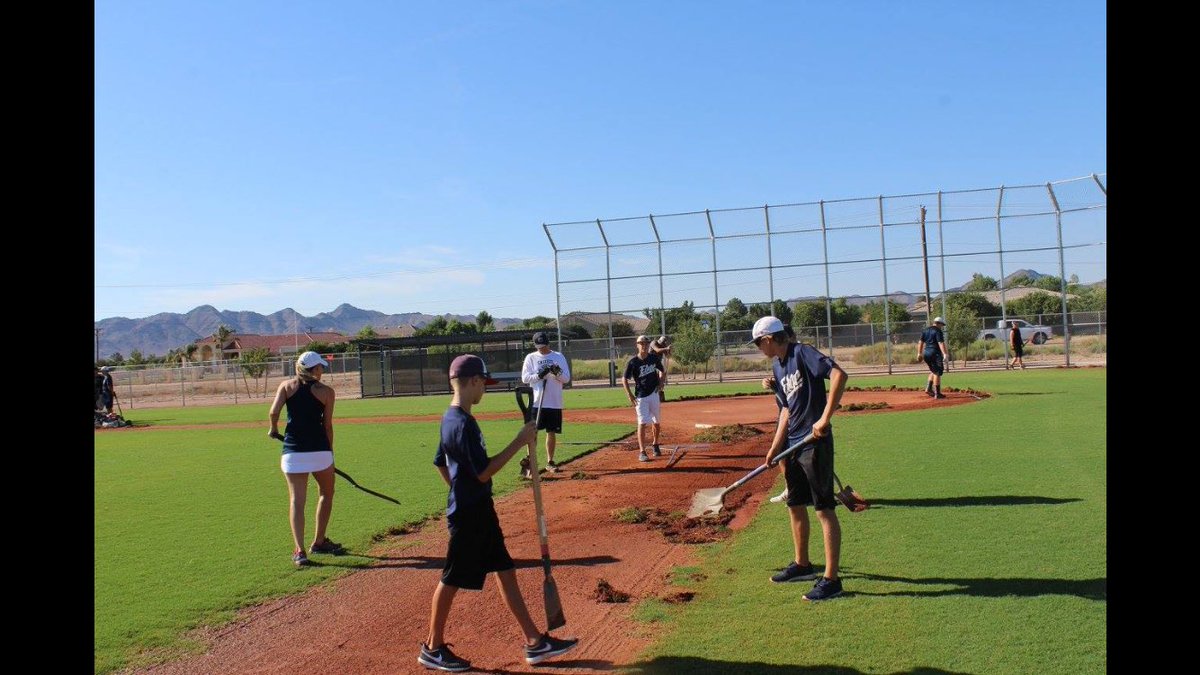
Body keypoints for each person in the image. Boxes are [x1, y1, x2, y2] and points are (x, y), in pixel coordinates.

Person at [420, 354, 579, 672]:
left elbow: (441, 461)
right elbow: (483, 473)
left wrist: (457, 488)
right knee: (452, 578)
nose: (485, 390)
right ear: (473, 382)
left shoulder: (451, 418)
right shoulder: (462, 424)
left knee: (505, 570)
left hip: (478, 507)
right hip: (470, 514)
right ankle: (432, 648)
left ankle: (535, 642)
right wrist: (520, 442)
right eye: (484, 384)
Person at [752, 315, 849, 601]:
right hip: (793, 444)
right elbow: (786, 410)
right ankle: (803, 564)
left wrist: (824, 418)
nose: (759, 348)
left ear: (769, 339)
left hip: (814, 441)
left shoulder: (802, 353)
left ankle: (831, 580)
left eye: (759, 343)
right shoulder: (777, 365)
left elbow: (839, 375)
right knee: (794, 504)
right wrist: (774, 446)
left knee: (823, 509)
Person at [268, 351, 345, 568]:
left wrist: (273, 429)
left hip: (292, 452)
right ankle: (319, 541)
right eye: (320, 367)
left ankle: (300, 551)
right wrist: (329, 453)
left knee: (296, 501)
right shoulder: (327, 392)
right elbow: (327, 426)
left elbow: (273, 413)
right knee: (326, 493)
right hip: (320, 452)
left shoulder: (286, 386)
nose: (322, 371)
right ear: (314, 370)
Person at [520, 332, 571, 476]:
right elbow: (525, 378)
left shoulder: (558, 357)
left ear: (548, 343)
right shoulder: (531, 357)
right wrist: (539, 375)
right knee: (533, 433)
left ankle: (550, 462)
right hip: (537, 402)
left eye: (544, 346)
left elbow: (566, 378)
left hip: (554, 402)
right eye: (539, 346)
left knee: (551, 432)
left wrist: (557, 372)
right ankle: (531, 462)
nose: (542, 349)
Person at [761, 324, 798, 504]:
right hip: (784, 412)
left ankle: (805, 489)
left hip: (799, 415)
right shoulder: (778, 362)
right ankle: (790, 488)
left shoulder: (800, 356)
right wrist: (771, 383)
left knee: (802, 455)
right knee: (782, 453)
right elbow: (785, 386)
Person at [622, 335, 666, 463]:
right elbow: (624, 379)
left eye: (646, 343)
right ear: (637, 345)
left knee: (656, 422)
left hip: (654, 393)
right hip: (641, 396)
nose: (644, 345)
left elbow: (662, 371)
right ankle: (642, 451)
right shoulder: (633, 362)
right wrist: (629, 394)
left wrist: (661, 383)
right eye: (641, 343)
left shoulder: (653, 358)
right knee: (642, 423)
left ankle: (655, 444)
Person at [917, 316, 950, 399]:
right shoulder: (938, 331)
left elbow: (920, 342)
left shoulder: (925, 330)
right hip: (935, 353)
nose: (941, 326)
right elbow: (940, 343)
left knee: (933, 370)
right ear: (938, 323)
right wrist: (945, 354)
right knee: (937, 372)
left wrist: (919, 353)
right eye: (941, 324)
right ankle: (937, 393)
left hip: (926, 353)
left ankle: (928, 388)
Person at [649, 335, 673, 401]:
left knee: (663, 373)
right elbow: (657, 350)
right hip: (649, 363)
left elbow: (668, 356)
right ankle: (651, 394)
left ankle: (660, 390)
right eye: (661, 343)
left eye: (663, 343)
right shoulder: (654, 342)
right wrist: (666, 348)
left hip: (657, 363)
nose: (662, 344)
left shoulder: (664, 346)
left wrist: (669, 351)